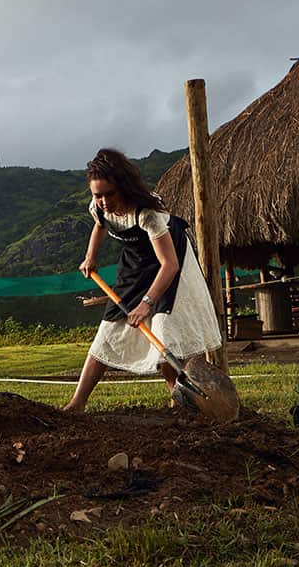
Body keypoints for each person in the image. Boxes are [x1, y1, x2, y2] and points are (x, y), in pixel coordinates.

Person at [63, 148, 221, 411]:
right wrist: (90, 256)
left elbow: (169, 265)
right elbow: (100, 225)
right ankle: (77, 403)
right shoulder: (99, 208)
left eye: (109, 194)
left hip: (171, 262)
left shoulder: (148, 214)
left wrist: (147, 303)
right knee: (109, 329)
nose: (103, 201)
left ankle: (179, 403)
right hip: (135, 264)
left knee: (164, 332)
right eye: (97, 194)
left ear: (123, 188)